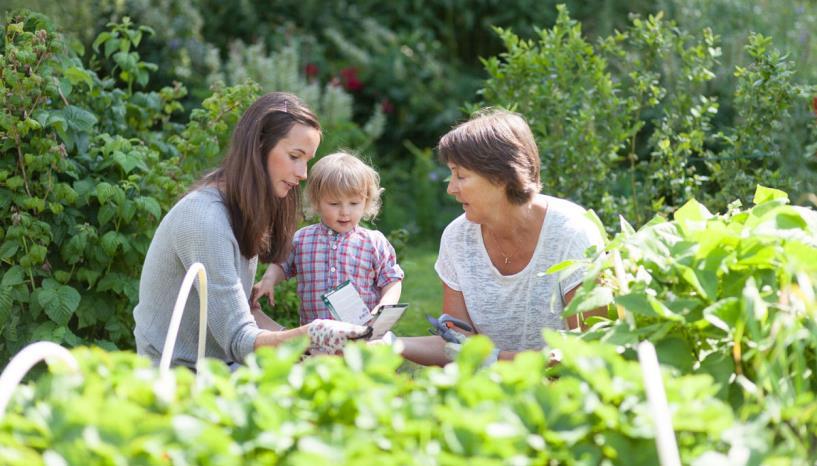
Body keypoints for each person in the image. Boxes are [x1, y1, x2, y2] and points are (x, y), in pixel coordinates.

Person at [133, 92, 368, 369]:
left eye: (307, 160)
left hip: (219, 367)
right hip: (180, 379)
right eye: (295, 156)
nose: (304, 173)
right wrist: (311, 335)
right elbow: (239, 340)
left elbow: (242, 315)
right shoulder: (206, 219)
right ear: (259, 146)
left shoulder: (242, 210)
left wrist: (315, 352)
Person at [399, 109, 606, 366]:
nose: (451, 188)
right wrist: (389, 344)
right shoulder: (457, 237)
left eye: (461, 176)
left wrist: (494, 360)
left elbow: (593, 345)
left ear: (501, 176)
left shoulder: (572, 233)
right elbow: (456, 344)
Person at [251, 152, 404, 325]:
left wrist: (384, 306)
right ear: (317, 202)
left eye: (354, 203)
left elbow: (391, 279)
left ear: (366, 201)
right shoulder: (302, 239)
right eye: (334, 204)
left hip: (361, 336)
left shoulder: (373, 242)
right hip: (316, 337)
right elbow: (282, 264)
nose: (345, 211)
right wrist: (269, 280)